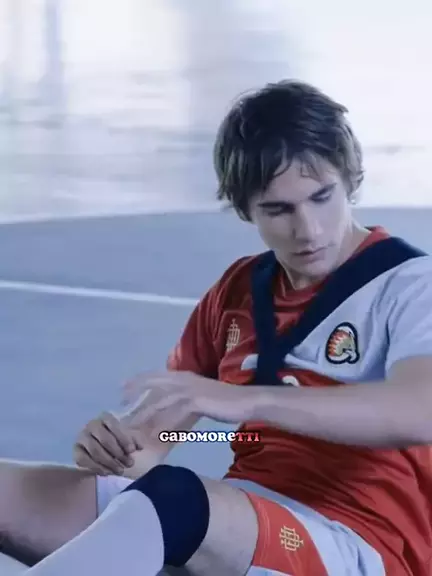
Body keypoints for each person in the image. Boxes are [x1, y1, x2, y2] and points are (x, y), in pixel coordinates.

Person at [1, 79, 431, 576]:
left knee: (174, 500)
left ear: (350, 179)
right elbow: (153, 446)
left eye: (322, 197)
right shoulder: (239, 291)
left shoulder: (410, 284)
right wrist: (114, 446)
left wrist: (245, 401)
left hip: (356, 543)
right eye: (278, 209)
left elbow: (421, 410)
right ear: (245, 208)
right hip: (241, 524)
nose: (308, 229)